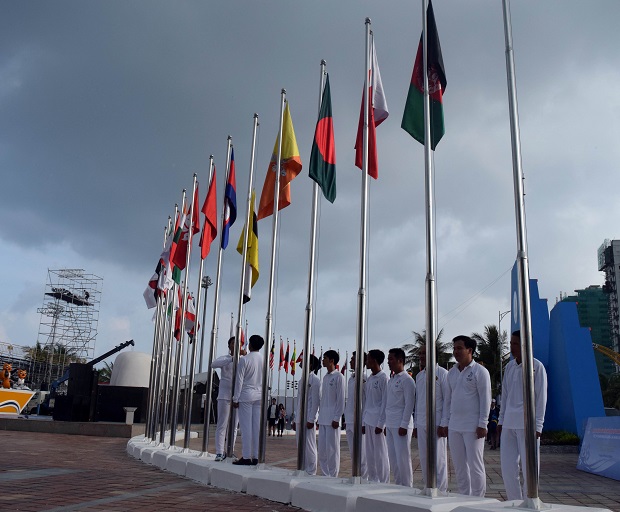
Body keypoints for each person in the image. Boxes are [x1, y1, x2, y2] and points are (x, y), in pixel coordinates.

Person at [499, 330, 548, 501]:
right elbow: (504, 396)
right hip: (509, 425)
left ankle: (530, 502)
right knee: (507, 468)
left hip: (528, 425)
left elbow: (541, 398)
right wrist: (500, 420)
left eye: (515, 344)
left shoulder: (537, 367)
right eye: (511, 343)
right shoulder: (509, 367)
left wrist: (538, 426)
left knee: (529, 469)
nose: (511, 347)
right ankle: (514, 501)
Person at [440, 335, 491, 497]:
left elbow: (485, 398)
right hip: (455, 426)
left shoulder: (480, 371)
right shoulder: (451, 373)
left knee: (475, 465)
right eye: (454, 348)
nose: (456, 351)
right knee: (459, 467)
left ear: (470, 350)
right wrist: (444, 423)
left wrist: (483, 423)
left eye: (459, 348)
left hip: (473, 427)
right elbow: (447, 401)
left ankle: (478, 499)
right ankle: (464, 497)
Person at [414, 344, 449, 493]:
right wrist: (415, 424)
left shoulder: (442, 373)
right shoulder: (419, 375)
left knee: (438, 459)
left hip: (437, 422)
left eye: (424, 353)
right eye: (420, 354)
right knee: (424, 457)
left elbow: (447, 400)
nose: (421, 356)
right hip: (421, 422)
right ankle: (428, 486)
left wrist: (444, 423)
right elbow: (418, 401)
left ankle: (440, 490)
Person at [380, 347, 415, 487]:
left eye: (391, 359)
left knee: (403, 459)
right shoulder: (392, 379)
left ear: (400, 360)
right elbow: (387, 404)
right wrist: (385, 424)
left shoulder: (407, 380)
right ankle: (399, 485)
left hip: (402, 424)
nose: (388, 362)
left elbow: (409, 404)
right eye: (388, 359)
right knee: (393, 459)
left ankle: (407, 487)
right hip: (391, 423)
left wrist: (404, 424)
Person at [232, 334, 264, 466]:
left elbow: (239, 381)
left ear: (250, 344)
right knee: (256, 427)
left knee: (246, 428)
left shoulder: (245, 360)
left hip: (246, 395)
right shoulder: (264, 359)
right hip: (259, 395)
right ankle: (256, 456)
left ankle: (246, 456)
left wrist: (235, 398)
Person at [211, 337, 243, 461]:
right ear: (229, 346)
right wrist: (232, 358)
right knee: (222, 424)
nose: (236, 346)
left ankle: (230, 450)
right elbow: (213, 364)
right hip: (224, 396)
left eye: (238, 344)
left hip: (237, 397)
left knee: (234, 426)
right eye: (233, 344)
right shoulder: (225, 359)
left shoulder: (242, 360)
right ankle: (220, 451)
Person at [292, 354, 321, 475]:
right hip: (300, 416)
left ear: (310, 364)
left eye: (303, 361)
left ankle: (311, 471)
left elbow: (315, 401)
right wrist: (295, 418)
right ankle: (302, 468)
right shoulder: (301, 380)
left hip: (308, 417)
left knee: (309, 446)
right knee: (300, 445)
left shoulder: (315, 380)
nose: (300, 362)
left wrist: (312, 418)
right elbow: (299, 400)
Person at [363, 349, 390, 483]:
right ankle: (372, 480)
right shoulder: (369, 379)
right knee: (370, 454)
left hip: (378, 423)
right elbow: (367, 402)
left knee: (380, 454)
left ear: (374, 361)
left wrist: (381, 424)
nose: (366, 362)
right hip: (368, 420)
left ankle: (383, 481)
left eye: (368, 359)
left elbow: (385, 403)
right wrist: (363, 421)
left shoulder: (384, 378)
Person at [317, 349, 345, 477]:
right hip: (323, 418)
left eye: (325, 358)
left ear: (332, 360)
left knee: (332, 449)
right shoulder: (325, 377)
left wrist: (337, 417)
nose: (323, 360)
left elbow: (340, 400)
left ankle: (333, 475)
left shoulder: (339, 377)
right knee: (322, 450)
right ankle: (325, 474)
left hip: (333, 420)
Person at [343, 351, 368, 479]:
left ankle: (363, 478)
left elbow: (367, 401)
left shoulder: (364, 379)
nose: (351, 361)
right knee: (353, 452)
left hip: (359, 420)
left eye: (353, 359)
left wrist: (364, 422)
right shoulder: (351, 378)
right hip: (349, 419)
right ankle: (355, 475)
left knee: (362, 453)